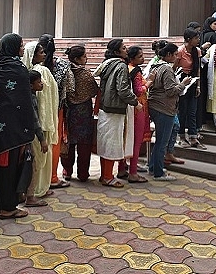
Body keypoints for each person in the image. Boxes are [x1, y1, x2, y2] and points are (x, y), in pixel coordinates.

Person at [0, 33, 33, 219]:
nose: (23, 49)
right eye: (20, 46)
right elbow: (24, 99)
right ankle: (7, 207)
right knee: (9, 166)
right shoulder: (17, 67)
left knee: (1, 167)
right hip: (13, 126)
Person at [93, 39, 141, 188]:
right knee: (112, 144)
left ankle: (105, 175)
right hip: (114, 109)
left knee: (105, 143)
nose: (126, 50)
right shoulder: (120, 66)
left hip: (105, 108)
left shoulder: (107, 64)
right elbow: (123, 90)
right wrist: (135, 102)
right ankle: (108, 177)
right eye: (123, 48)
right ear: (116, 52)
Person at [148, 42, 190, 181]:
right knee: (162, 142)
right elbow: (171, 91)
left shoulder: (156, 66)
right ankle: (158, 172)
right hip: (164, 107)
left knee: (159, 140)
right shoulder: (166, 69)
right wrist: (183, 84)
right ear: (168, 55)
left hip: (155, 105)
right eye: (175, 54)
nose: (177, 57)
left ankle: (154, 166)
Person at [23, 42, 58, 204]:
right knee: (38, 160)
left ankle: (34, 189)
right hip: (40, 124)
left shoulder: (26, 72)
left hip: (36, 124)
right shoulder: (39, 72)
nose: (44, 54)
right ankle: (37, 190)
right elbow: (42, 103)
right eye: (40, 52)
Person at [38, 34, 74, 189]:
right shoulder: (62, 65)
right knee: (54, 141)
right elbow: (71, 87)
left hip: (36, 107)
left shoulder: (32, 64)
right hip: (56, 108)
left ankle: (38, 180)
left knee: (38, 142)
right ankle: (53, 177)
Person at [63, 45, 99, 182]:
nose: (86, 58)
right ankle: (83, 173)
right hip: (83, 113)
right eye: (84, 56)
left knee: (69, 142)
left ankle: (67, 171)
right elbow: (94, 90)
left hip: (69, 111)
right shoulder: (85, 75)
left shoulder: (65, 71)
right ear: (77, 59)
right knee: (84, 145)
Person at [118, 46, 152, 184]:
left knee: (126, 138)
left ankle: (121, 168)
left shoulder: (126, 68)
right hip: (138, 108)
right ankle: (133, 172)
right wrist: (149, 82)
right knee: (136, 141)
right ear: (132, 58)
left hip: (127, 108)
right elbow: (138, 90)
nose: (143, 58)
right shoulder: (136, 71)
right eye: (140, 56)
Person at [174, 28, 205, 149]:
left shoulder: (197, 51)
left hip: (193, 81)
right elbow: (174, 68)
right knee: (183, 110)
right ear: (188, 39)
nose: (198, 40)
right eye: (196, 38)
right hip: (182, 80)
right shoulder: (180, 51)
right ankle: (181, 136)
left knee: (192, 111)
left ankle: (193, 137)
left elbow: (197, 69)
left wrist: (198, 85)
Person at [24, 69, 49, 207]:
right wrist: (42, 139)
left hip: (25, 134)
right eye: (39, 82)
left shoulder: (28, 95)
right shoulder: (31, 98)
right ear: (31, 85)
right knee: (33, 165)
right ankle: (30, 197)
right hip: (32, 135)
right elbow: (35, 120)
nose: (42, 84)